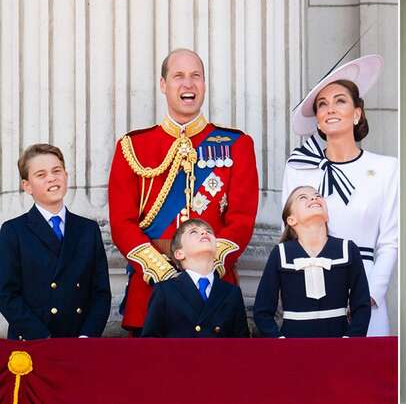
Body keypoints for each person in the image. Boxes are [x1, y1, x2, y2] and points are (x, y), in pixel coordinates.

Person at [108, 48, 259, 334]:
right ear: (163, 85)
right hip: (150, 294)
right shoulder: (132, 147)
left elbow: (241, 220)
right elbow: (121, 223)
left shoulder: (237, 144)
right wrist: (162, 271)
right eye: (179, 76)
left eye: (196, 76)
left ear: (204, 85)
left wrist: (202, 267)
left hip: (214, 296)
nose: (188, 84)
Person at [282, 54, 397, 336]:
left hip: (366, 286)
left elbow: (391, 241)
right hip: (311, 285)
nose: (330, 109)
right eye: (323, 104)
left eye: (340, 101)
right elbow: (286, 233)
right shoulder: (298, 167)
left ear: (357, 113)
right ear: (318, 121)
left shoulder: (386, 168)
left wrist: (369, 295)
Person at [0, 144, 111, 340]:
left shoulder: (88, 229)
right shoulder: (14, 231)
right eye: (41, 174)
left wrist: (87, 337)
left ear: (66, 176)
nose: (52, 178)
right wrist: (43, 338)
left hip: (79, 344)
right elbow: (7, 295)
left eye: (56, 171)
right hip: (33, 342)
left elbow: (100, 292)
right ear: (27, 186)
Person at [253, 186, 370, 338]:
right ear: (291, 219)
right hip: (293, 347)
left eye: (317, 195)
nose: (314, 198)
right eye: (303, 197)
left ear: (327, 215)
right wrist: (279, 341)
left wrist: (350, 341)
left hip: (339, 345)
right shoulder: (280, 254)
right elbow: (262, 311)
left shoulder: (348, 249)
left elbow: (362, 306)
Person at [141, 219, 249, 338]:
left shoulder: (231, 292)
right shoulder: (165, 290)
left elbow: (242, 346)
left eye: (208, 231)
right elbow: (150, 342)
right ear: (179, 254)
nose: (204, 233)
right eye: (193, 232)